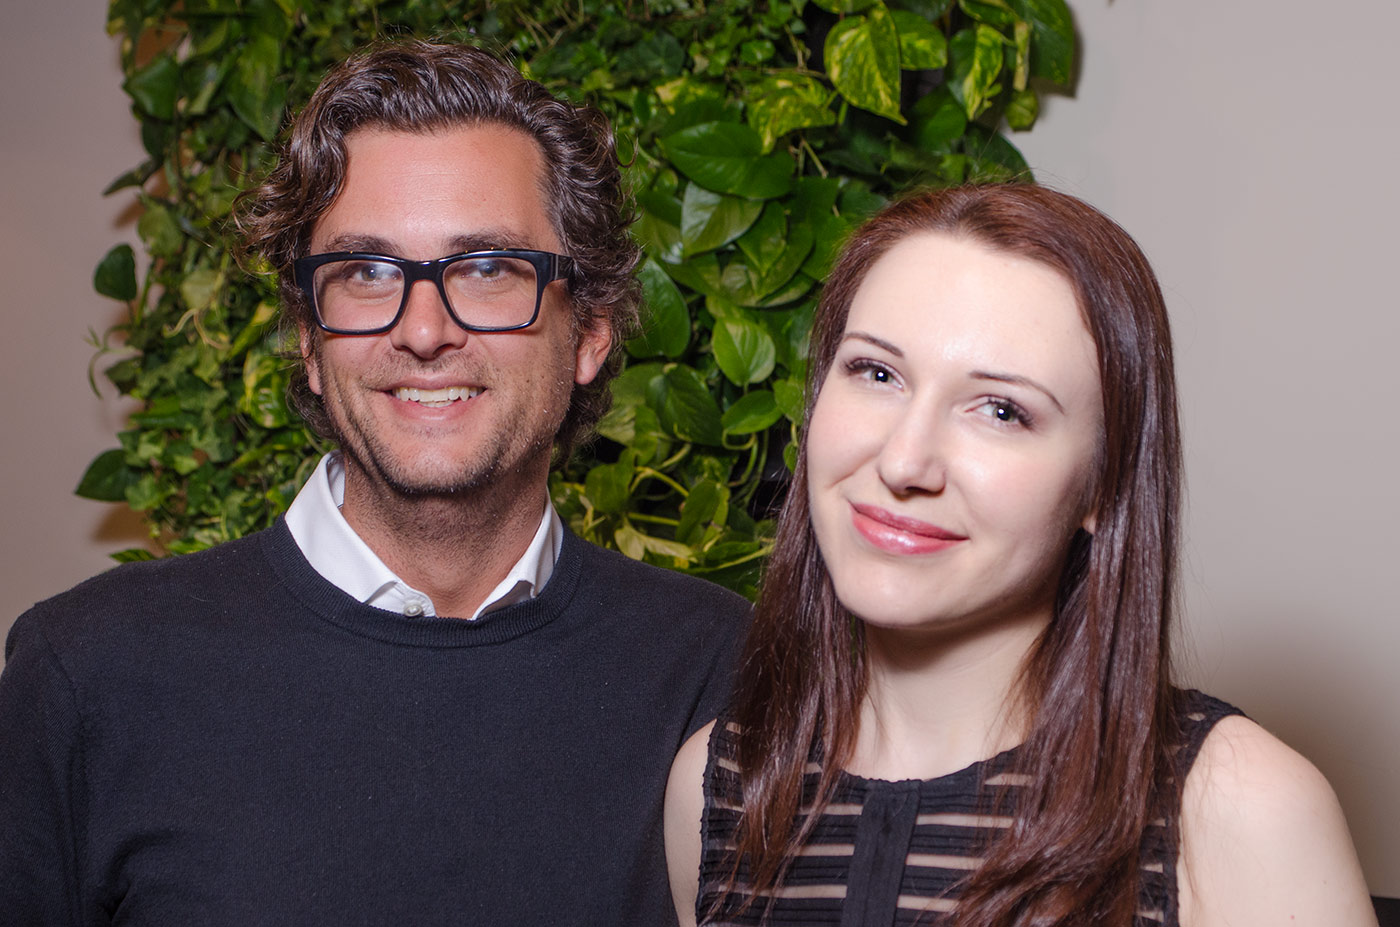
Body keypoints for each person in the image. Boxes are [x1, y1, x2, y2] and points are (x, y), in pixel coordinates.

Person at [0, 41, 748, 925]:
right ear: (311, 343)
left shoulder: (726, 668)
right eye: (366, 273)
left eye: (486, 268)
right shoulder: (86, 672)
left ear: (588, 331)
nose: (423, 330)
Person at [663, 185, 1375, 927]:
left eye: (1002, 411)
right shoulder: (719, 790)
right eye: (877, 373)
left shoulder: (1237, 811)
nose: (906, 460)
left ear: (1104, 482)